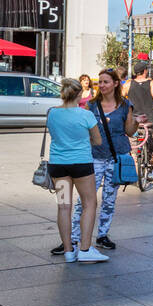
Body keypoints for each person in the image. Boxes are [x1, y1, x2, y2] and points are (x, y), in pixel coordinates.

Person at [58, 68, 136, 255]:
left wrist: (138, 122)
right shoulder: (91, 105)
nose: (101, 85)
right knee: (84, 201)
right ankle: (74, 238)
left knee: (109, 199)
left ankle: (102, 235)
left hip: (116, 157)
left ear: (116, 84)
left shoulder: (125, 105)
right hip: (93, 157)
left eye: (105, 82)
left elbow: (130, 131)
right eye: (99, 82)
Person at [47, 78, 108, 263]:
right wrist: (81, 141)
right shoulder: (86, 115)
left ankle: (68, 251)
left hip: (58, 165)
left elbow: (56, 135)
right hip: (81, 165)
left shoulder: (52, 113)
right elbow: (98, 141)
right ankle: (85, 248)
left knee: (63, 206)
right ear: (80, 94)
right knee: (89, 204)